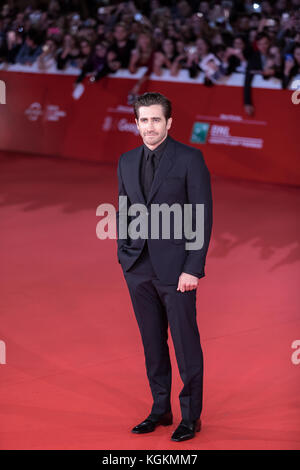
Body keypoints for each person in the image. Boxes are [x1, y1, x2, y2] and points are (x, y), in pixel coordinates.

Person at [116, 92, 213, 442]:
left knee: (186, 345)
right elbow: (123, 211)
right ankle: (160, 409)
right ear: (136, 122)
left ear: (169, 123)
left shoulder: (190, 159)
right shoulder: (126, 161)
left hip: (177, 271)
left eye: (156, 119)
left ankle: (190, 417)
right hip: (138, 269)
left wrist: (193, 267)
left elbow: (201, 217)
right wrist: (124, 256)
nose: (150, 127)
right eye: (144, 120)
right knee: (152, 344)